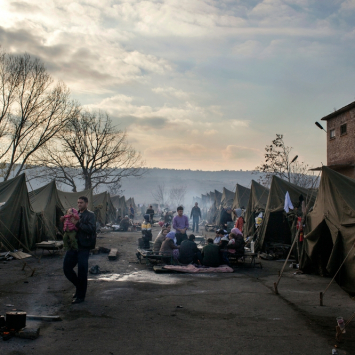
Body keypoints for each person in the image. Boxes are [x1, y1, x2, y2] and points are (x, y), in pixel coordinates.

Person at [63, 196, 96, 304]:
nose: (79, 204)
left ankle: (81, 296)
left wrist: (78, 224)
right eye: (78, 202)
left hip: (84, 246)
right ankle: (79, 287)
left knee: (82, 272)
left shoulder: (90, 215)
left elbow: (91, 229)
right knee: (66, 268)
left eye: (81, 202)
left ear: (86, 203)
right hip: (73, 246)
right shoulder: (75, 213)